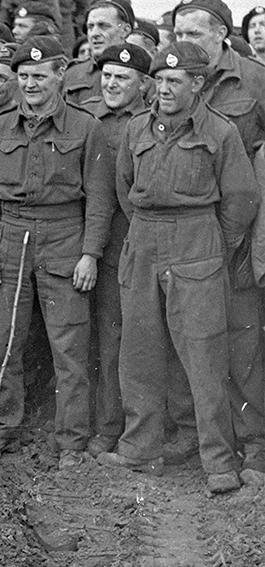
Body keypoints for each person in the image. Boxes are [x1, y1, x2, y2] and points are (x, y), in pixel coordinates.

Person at [99, 42, 258, 495]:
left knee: (205, 355)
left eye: (175, 81)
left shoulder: (222, 132)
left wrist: (211, 246)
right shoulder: (136, 129)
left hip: (197, 241)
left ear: (198, 84)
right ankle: (140, 449)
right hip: (144, 240)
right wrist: (151, 234)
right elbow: (126, 187)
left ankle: (219, 462)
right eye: (160, 80)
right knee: (139, 350)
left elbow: (241, 199)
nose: (164, 89)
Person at [0, 35, 109, 469]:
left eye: (38, 76)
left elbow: (100, 200)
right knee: (4, 341)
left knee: (68, 346)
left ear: (59, 74)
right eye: (23, 76)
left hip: (65, 236)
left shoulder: (86, 127)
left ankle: (71, 440)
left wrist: (90, 254)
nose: (29, 84)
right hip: (11, 238)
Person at [166, 0, 265, 482]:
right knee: (193, 336)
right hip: (191, 235)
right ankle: (199, 433)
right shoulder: (175, 80)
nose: (184, 43)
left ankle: (255, 440)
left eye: (195, 33)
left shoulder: (255, 80)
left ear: (222, 34)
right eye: (178, 34)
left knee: (244, 338)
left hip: (244, 231)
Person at [79, 43, 150, 458]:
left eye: (121, 77)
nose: (111, 84)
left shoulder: (149, 121)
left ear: (144, 83)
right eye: (106, 75)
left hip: (136, 241)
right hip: (95, 244)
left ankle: (141, 429)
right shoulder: (88, 117)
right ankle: (107, 424)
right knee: (106, 339)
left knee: (140, 342)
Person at [62, 0, 134, 104]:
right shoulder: (73, 73)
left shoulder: (140, 72)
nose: (94, 34)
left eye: (104, 26)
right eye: (90, 27)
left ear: (125, 30)